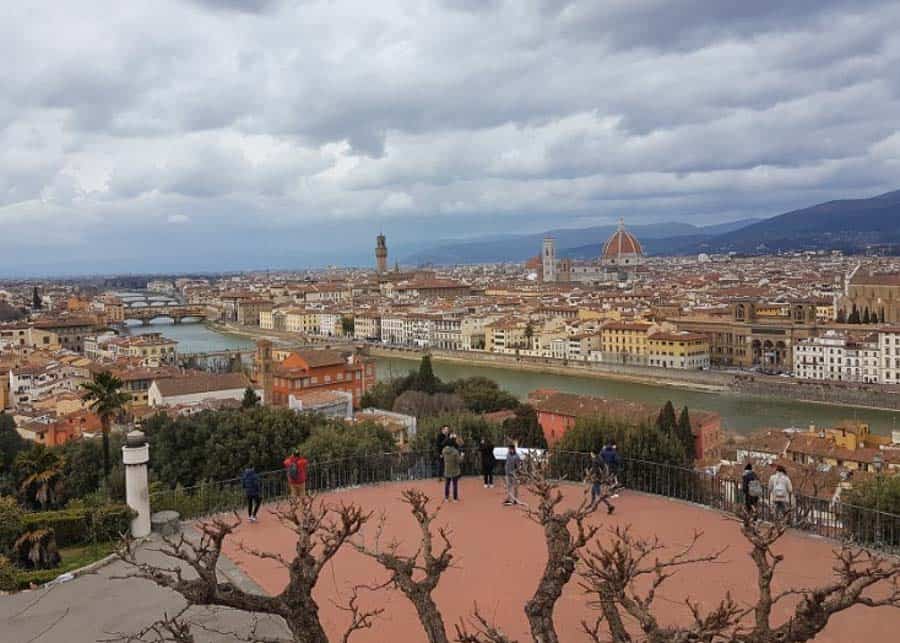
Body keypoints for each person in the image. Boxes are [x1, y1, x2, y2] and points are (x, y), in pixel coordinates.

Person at [442, 434, 462, 502]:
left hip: (447, 469)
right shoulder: (455, 451)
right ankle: (455, 498)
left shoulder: (444, 450)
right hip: (454, 470)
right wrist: (462, 456)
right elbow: (459, 461)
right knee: (455, 484)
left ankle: (446, 497)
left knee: (447, 484)